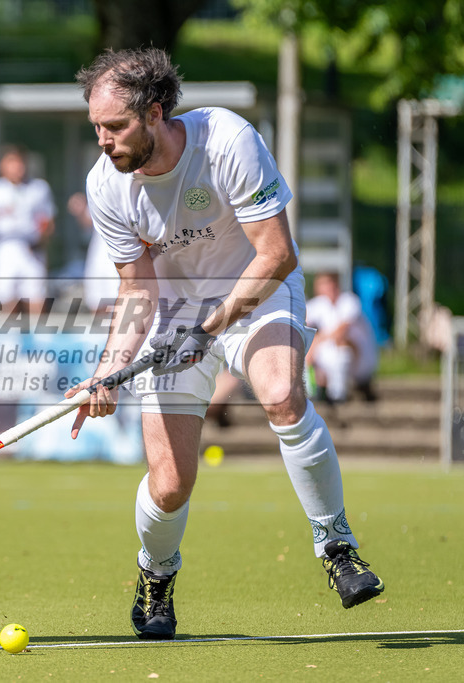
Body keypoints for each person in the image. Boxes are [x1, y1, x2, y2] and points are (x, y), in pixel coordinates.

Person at [66, 48, 384, 640]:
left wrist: (208, 329)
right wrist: (109, 370)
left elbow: (277, 252)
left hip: (256, 290)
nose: (104, 142)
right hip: (174, 312)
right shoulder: (106, 186)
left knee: (281, 393)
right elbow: (137, 288)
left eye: (114, 127)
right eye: (96, 129)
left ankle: (336, 545)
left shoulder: (228, 141)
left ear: (155, 113)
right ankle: (156, 574)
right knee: (169, 484)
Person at [0, 145, 55, 313]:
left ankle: (36, 338)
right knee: (6, 299)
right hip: (5, 247)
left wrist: (40, 241)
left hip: (30, 248)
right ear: (1, 166)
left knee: (35, 296)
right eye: (12, 163)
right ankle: (9, 338)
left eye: (20, 163)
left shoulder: (39, 188)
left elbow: (48, 221)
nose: (17, 168)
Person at [305, 271, 379, 403]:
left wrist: (315, 343)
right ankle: (315, 390)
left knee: (341, 348)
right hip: (330, 356)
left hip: (361, 358)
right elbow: (303, 325)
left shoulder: (349, 301)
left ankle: (338, 394)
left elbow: (341, 331)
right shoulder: (319, 304)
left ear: (335, 285)